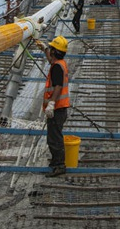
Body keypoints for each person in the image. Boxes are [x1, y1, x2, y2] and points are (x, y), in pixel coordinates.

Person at [42, 35, 70, 177]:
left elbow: (58, 87)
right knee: (54, 136)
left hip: (57, 109)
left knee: (54, 138)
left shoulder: (57, 68)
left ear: (55, 51)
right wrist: (44, 48)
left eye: (51, 48)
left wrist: (51, 104)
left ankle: (59, 165)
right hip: (61, 108)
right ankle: (56, 161)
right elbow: (51, 60)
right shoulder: (60, 64)